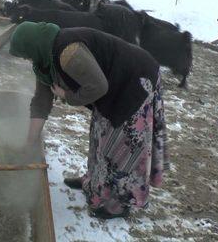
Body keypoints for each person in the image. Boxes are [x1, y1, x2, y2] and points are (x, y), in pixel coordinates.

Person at [9, 21, 168, 219]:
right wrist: (30, 142)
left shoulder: (68, 53)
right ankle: (93, 183)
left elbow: (99, 87)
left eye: (26, 54)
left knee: (124, 146)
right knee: (100, 137)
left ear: (33, 45)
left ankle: (119, 204)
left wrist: (67, 95)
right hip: (110, 85)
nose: (26, 59)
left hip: (133, 80)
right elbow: (41, 102)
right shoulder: (44, 61)